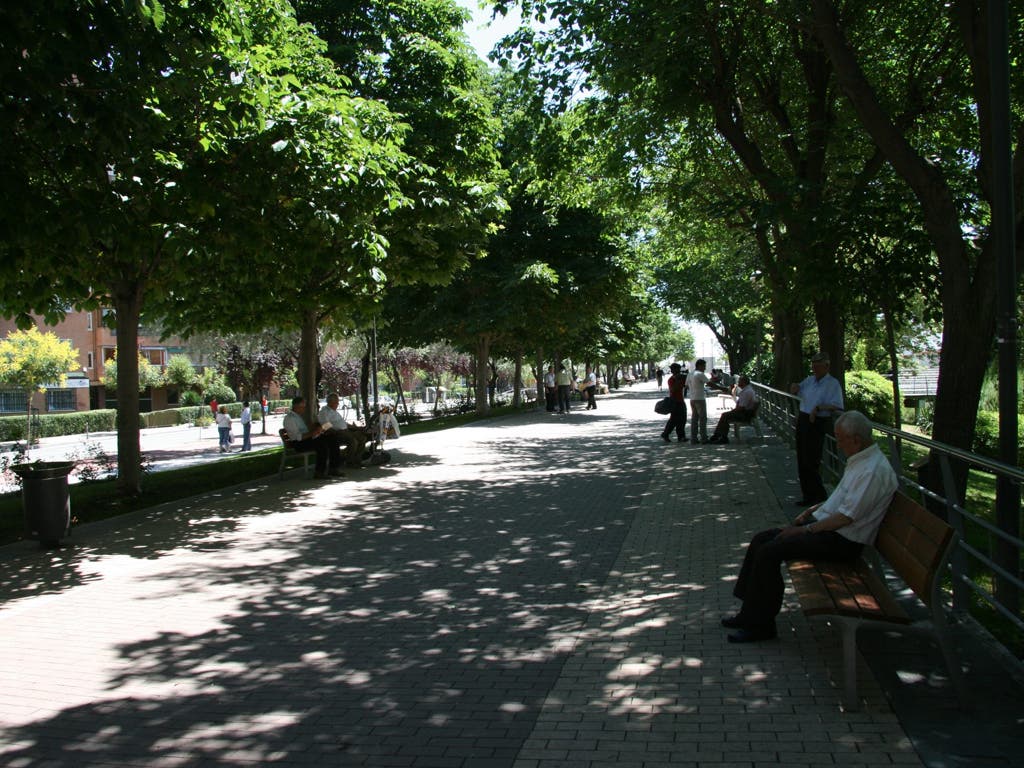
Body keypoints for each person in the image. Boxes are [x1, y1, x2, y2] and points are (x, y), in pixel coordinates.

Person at [721, 411, 898, 642]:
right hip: (831, 531)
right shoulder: (862, 459)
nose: (837, 444)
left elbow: (847, 517)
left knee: (769, 552)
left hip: (843, 542)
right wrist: (813, 509)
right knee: (761, 539)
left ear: (856, 440)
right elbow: (845, 500)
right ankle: (749, 613)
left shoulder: (872, 471)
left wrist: (805, 529)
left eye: (840, 439)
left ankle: (761, 626)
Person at [790, 352, 844, 506]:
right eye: (813, 366)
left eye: (818, 367)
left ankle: (819, 496)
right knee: (802, 458)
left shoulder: (833, 384)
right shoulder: (810, 380)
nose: (815, 370)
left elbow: (837, 405)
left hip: (817, 421)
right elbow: (797, 390)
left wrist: (819, 408)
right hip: (804, 419)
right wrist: (794, 387)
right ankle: (808, 495)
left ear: (826, 366)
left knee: (811, 460)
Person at [282, 396, 333, 479]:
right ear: (296, 406)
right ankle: (319, 472)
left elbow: (305, 432)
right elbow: (298, 437)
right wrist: (313, 433)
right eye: (302, 407)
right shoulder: (290, 418)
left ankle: (333, 467)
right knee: (321, 443)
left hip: (305, 440)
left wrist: (317, 431)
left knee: (330, 438)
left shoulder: (298, 416)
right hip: (298, 443)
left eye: (304, 407)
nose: (304, 409)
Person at [317, 393, 363, 468]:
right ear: (330, 402)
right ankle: (349, 461)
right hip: (337, 433)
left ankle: (356, 460)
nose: (338, 404)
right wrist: (335, 431)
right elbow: (324, 425)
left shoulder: (335, 411)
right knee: (354, 441)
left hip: (346, 431)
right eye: (336, 402)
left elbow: (344, 423)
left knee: (362, 438)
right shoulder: (324, 411)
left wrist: (356, 427)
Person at [708, 376, 758, 444]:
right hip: (746, 412)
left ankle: (720, 437)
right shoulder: (747, 390)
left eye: (739, 381)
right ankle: (719, 436)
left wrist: (732, 411)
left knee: (725, 415)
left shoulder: (747, 392)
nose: (738, 382)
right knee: (725, 415)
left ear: (744, 382)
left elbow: (741, 407)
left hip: (745, 414)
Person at [660, 362, 688, 442]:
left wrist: (684, 378)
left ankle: (681, 436)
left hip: (681, 401)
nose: (679, 371)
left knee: (682, 419)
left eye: (679, 369)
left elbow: (686, 385)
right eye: (677, 369)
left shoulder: (680, 378)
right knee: (674, 420)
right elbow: (673, 389)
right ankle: (666, 433)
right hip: (674, 401)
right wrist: (678, 380)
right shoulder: (671, 379)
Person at [687, 358, 710, 444]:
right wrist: (722, 388)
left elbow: (686, 385)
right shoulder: (700, 374)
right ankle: (704, 438)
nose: (705, 368)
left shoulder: (690, 374)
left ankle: (694, 438)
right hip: (700, 399)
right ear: (699, 366)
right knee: (702, 419)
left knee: (694, 419)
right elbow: (710, 383)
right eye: (704, 366)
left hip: (692, 399)